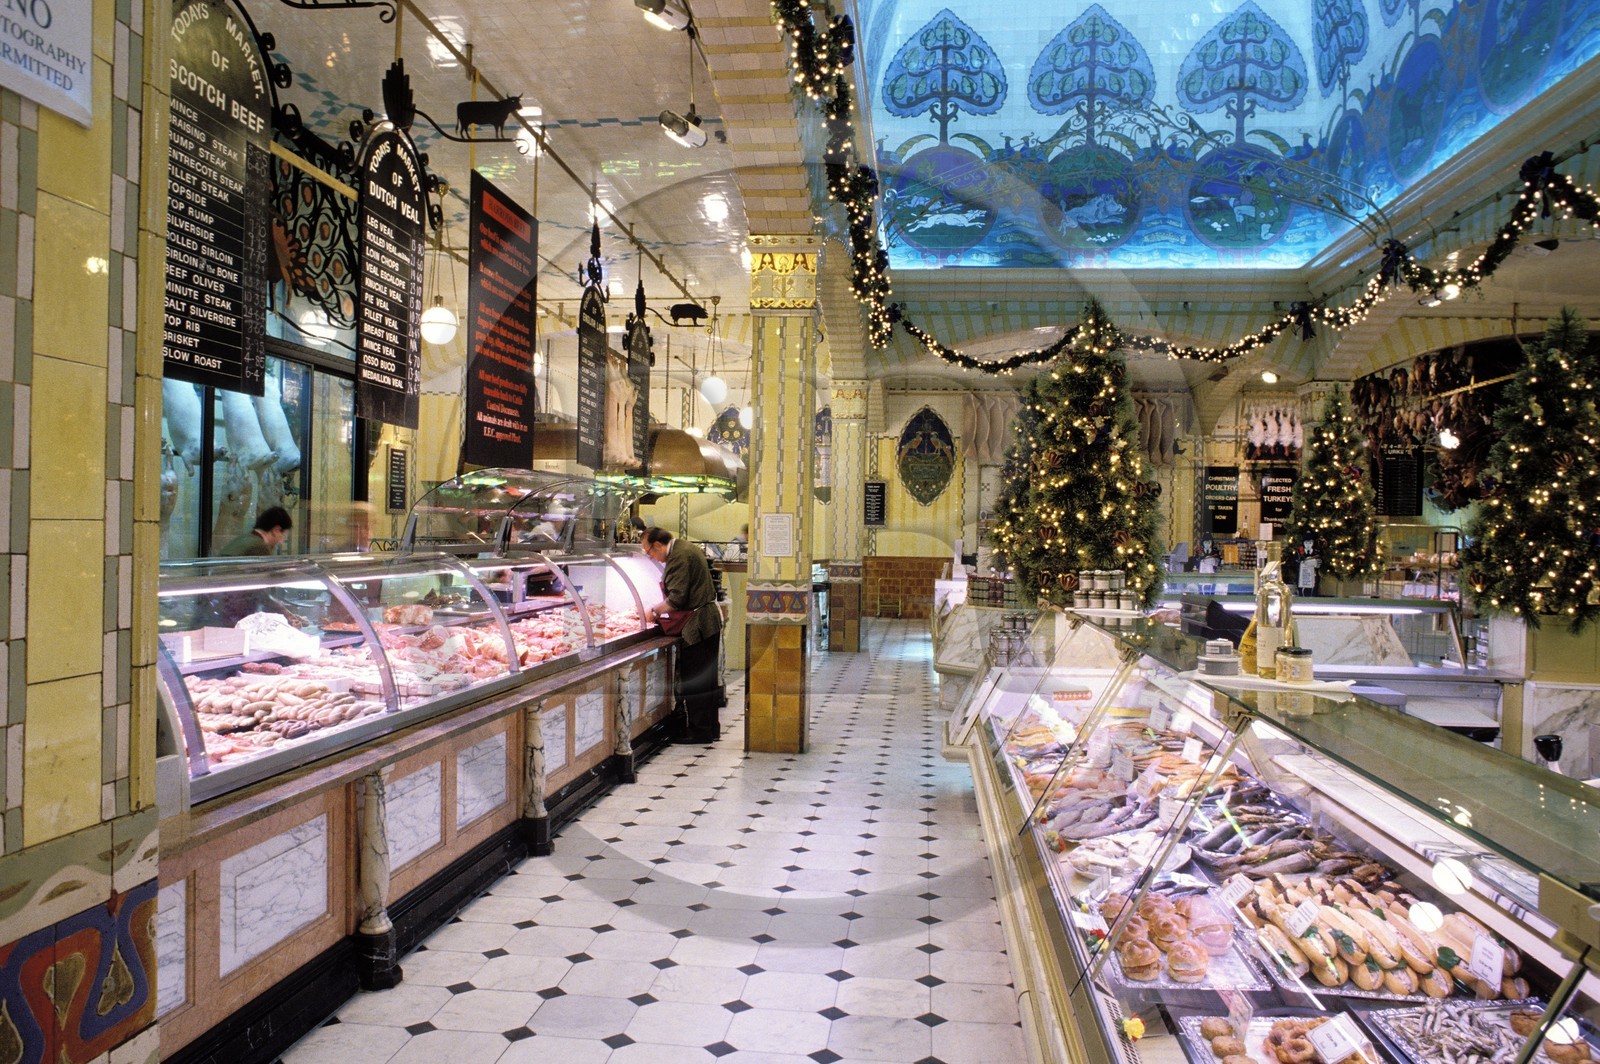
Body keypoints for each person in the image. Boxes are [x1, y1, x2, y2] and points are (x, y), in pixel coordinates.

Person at [643, 527, 723, 743]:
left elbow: (678, 598)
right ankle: (709, 728)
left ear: (658, 545)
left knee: (695, 679)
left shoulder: (679, 556)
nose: (650, 556)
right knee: (706, 680)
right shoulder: (684, 548)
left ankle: (699, 732)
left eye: (649, 551)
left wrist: (653, 612)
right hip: (707, 622)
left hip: (699, 625)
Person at [218, 506, 293, 556]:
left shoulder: (245, 538)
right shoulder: (258, 547)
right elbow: (264, 576)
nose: (281, 540)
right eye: (283, 535)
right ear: (276, 530)